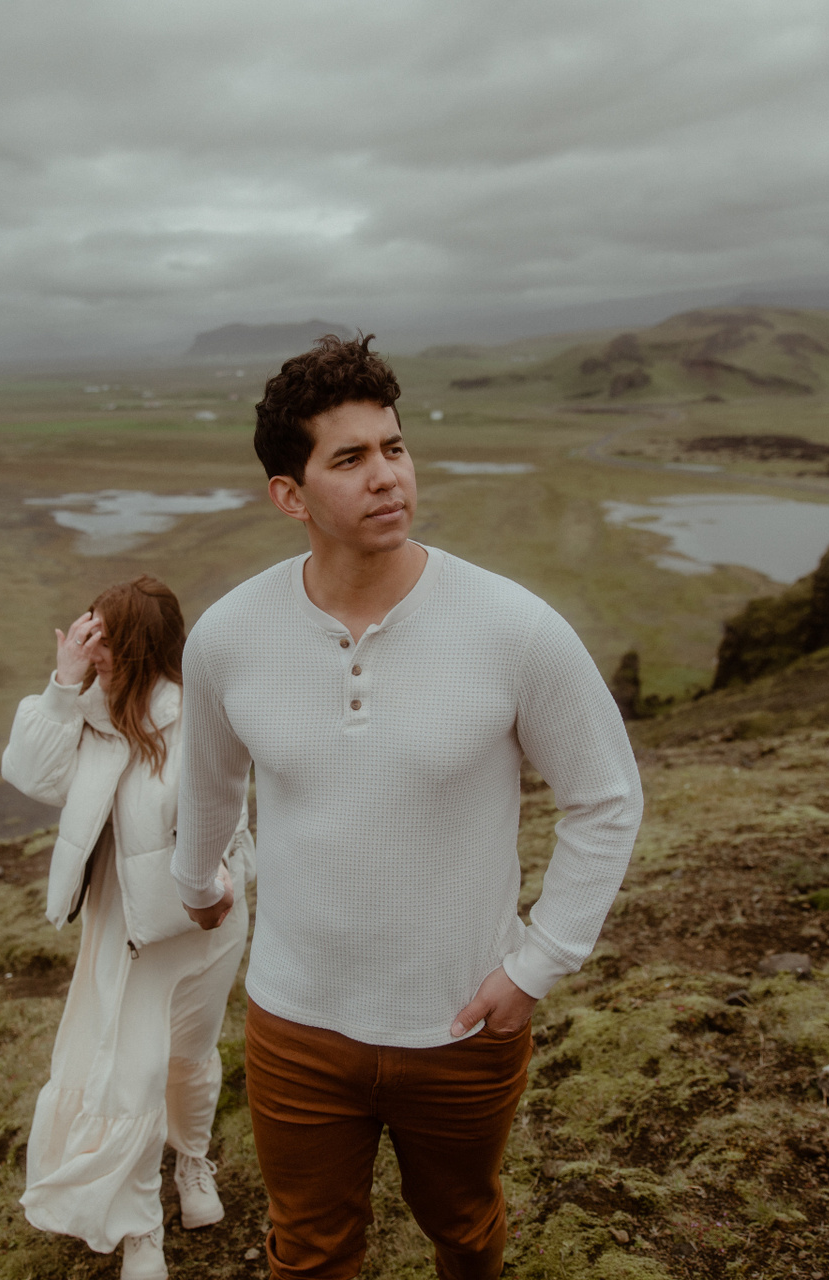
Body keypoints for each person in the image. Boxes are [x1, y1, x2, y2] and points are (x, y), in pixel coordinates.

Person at [171, 335, 642, 1280]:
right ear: (291, 496)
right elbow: (211, 781)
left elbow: (605, 798)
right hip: (296, 1023)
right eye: (350, 458)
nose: (387, 476)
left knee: (464, 1230)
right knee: (309, 1253)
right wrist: (196, 881)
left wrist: (539, 963)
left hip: (461, 1024)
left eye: (394, 447)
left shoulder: (513, 627)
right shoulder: (228, 636)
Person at [2, 575, 253, 1280]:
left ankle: (192, 1161)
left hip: (204, 917)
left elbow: (225, 818)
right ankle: (142, 1227)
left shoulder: (200, 716)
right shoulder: (84, 713)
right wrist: (61, 685)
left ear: (141, 648)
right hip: (125, 925)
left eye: (105, 638)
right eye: (88, 629)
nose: (90, 647)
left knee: (190, 1054)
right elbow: (30, 777)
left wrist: (211, 889)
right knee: (133, 1074)